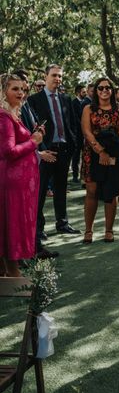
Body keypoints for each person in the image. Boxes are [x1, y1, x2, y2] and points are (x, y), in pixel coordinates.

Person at [28, 64, 80, 257]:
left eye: (60, 76)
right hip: (45, 152)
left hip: (64, 150)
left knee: (61, 189)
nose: (57, 79)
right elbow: (32, 128)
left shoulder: (66, 99)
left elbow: (72, 124)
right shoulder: (34, 100)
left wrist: (73, 145)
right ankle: (39, 229)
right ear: (46, 76)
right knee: (40, 192)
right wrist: (41, 150)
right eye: (54, 76)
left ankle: (62, 223)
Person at [0, 74, 42, 276]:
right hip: (12, 183)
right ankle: (14, 273)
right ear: (3, 92)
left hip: (21, 183)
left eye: (22, 89)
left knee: (12, 224)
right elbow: (8, 151)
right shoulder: (4, 117)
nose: (21, 93)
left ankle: (8, 272)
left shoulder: (12, 115)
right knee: (12, 226)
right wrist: (34, 141)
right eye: (15, 89)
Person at [80, 77, 119, 244]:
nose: (104, 91)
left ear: (112, 90)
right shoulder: (88, 108)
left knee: (111, 191)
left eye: (107, 88)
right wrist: (100, 151)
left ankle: (109, 231)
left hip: (113, 152)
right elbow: (87, 132)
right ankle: (88, 231)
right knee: (92, 191)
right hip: (92, 153)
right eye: (100, 88)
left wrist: (108, 149)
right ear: (96, 91)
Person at [71, 84, 87, 183]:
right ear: (78, 93)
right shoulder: (73, 103)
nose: (85, 93)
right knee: (76, 155)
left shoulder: (86, 103)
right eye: (83, 92)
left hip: (85, 133)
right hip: (77, 134)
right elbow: (74, 118)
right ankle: (75, 175)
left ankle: (84, 175)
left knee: (85, 155)